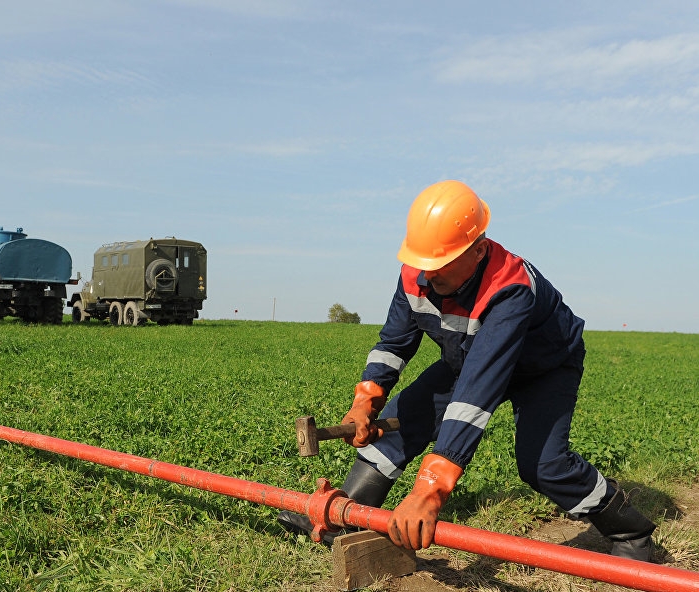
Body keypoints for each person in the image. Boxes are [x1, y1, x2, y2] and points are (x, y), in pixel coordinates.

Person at [278, 180, 655, 561]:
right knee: (402, 419)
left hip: (544, 368)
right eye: (422, 262)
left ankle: (632, 533)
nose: (428, 274)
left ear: (478, 251)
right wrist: (366, 401)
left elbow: (475, 394)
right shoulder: (417, 271)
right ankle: (349, 515)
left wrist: (429, 490)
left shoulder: (509, 288)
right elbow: (394, 344)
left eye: (439, 265)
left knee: (543, 465)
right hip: (469, 359)